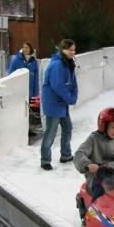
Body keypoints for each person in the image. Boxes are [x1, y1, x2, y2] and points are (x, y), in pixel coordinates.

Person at [40, 39, 78, 171]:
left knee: (67, 128)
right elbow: (58, 85)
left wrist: (73, 97)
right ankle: (45, 160)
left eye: (74, 50)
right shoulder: (57, 64)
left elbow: (73, 82)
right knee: (51, 132)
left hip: (62, 103)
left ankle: (66, 155)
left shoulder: (68, 63)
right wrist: (70, 98)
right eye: (70, 50)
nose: (72, 52)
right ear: (62, 49)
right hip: (53, 103)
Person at [9, 42, 40, 135]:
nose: (25, 49)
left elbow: (36, 77)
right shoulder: (16, 60)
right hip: (19, 90)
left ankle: (27, 129)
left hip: (29, 90)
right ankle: (19, 131)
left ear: (30, 49)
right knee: (19, 111)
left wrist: (35, 91)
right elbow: (11, 75)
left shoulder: (33, 62)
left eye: (27, 47)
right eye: (24, 47)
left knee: (28, 111)